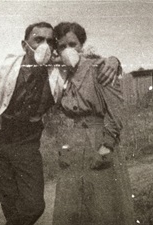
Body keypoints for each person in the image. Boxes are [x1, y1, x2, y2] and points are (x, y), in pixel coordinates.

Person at [0, 21, 122, 225]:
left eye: (50, 41)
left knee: (33, 206)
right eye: (38, 39)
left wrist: (114, 61)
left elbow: (87, 66)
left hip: (27, 142)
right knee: (10, 204)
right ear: (25, 45)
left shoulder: (58, 71)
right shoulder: (2, 64)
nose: (45, 45)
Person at [51, 22, 135, 225]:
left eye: (73, 44)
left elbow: (116, 113)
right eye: (62, 46)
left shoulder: (100, 69)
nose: (68, 50)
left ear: (81, 46)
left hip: (98, 140)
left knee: (103, 208)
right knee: (72, 208)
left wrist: (107, 146)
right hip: (72, 144)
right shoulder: (59, 75)